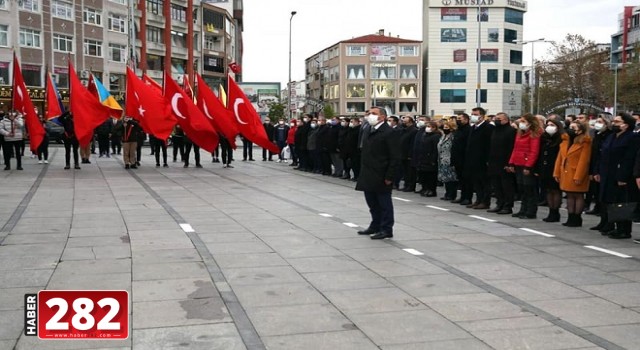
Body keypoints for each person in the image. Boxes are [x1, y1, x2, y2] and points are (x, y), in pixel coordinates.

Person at [356, 107, 401, 240]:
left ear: (382, 117)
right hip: (368, 172)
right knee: (372, 203)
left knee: (384, 203)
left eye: (373, 114)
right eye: (369, 113)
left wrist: (389, 176)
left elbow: (395, 157)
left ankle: (386, 228)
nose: (370, 116)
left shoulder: (389, 132)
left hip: (381, 173)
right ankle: (375, 225)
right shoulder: (369, 130)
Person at [594, 113, 639, 239]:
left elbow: (629, 159)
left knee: (622, 202)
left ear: (626, 125)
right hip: (607, 173)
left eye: (617, 122)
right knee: (610, 201)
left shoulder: (632, 137)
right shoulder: (611, 136)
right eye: (614, 121)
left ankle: (624, 229)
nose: (614, 124)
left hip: (621, 175)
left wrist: (623, 177)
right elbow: (602, 154)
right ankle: (611, 225)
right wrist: (597, 171)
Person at [554, 120, 591, 227]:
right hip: (566, 172)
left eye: (573, 128)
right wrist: (557, 173)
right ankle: (570, 216)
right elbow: (560, 159)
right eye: (570, 127)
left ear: (580, 130)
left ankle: (577, 217)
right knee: (569, 195)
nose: (570, 130)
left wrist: (579, 175)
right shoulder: (565, 141)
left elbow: (584, 160)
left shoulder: (585, 142)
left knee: (578, 195)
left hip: (576, 172)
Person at [507, 114, 542, 219]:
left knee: (529, 188)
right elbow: (515, 149)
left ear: (530, 123)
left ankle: (531, 211)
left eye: (523, 121)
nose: (521, 123)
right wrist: (511, 162)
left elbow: (534, 151)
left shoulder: (534, 134)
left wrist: (528, 166)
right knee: (522, 187)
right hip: (518, 162)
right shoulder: (520, 133)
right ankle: (523, 209)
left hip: (526, 164)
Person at [464, 107, 494, 209]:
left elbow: (489, 145)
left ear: (481, 116)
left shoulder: (488, 128)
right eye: (472, 114)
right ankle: (478, 199)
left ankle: (485, 201)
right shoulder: (473, 128)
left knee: (484, 182)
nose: (473, 116)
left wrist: (488, 160)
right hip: (473, 160)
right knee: (476, 182)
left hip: (482, 160)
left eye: (475, 114)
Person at [487, 112, 516, 214]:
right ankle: (499, 204)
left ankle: (508, 206)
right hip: (494, 162)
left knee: (506, 186)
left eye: (499, 119)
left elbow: (512, 148)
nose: (496, 120)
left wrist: (509, 163)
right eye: (496, 118)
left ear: (506, 120)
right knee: (496, 185)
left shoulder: (511, 131)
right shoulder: (495, 130)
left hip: (505, 162)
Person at [537, 119, 565, 222]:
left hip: (555, 167)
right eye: (548, 125)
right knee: (548, 190)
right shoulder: (544, 138)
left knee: (555, 190)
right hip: (545, 167)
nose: (549, 127)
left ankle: (555, 211)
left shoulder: (561, 138)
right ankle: (551, 211)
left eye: (552, 125)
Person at [586, 114, 613, 217]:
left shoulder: (609, 135)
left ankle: (602, 210)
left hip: (604, 166)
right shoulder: (598, 134)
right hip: (596, 164)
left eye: (600, 122)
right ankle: (597, 207)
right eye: (597, 122)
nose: (597, 124)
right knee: (595, 189)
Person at [411, 121, 440, 197]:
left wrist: (433, 160)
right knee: (423, 175)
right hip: (423, 158)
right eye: (427, 126)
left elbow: (435, 149)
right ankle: (425, 188)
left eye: (430, 126)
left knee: (431, 176)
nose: (428, 128)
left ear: (434, 128)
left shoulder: (436, 136)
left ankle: (431, 190)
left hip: (430, 159)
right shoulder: (425, 135)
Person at [451, 113, 471, 204]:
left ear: (466, 120)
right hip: (457, 158)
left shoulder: (468, 130)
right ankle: (462, 196)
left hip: (465, 159)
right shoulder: (458, 130)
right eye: (457, 119)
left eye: (460, 119)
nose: (458, 120)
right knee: (461, 180)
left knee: (467, 180)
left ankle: (467, 197)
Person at [437, 118, 458, 200]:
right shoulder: (443, 136)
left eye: (447, 128)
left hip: (449, 159)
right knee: (445, 178)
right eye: (444, 127)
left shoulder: (453, 137)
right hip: (442, 159)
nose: (445, 129)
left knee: (451, 178)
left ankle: (452, 194)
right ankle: (447, 193)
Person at [399, 116, 418, 192]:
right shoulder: (404, 130)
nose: (403, 123)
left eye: (405, 122)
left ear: (410, 122)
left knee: (410, 172)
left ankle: (410, 185)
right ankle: (406, 185)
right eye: (403, 122)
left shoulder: (413, 131)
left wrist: (410, 155)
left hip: (409, 154)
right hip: (403, 153)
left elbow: (412, 144)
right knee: (405, 171)